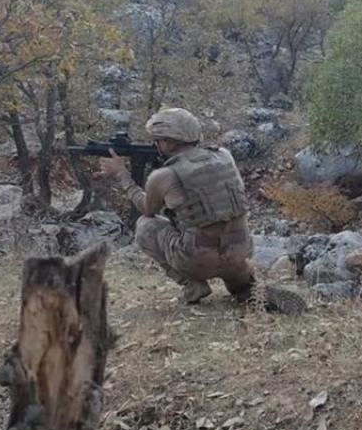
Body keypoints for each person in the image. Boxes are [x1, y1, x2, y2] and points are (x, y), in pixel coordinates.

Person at [98, 108, 256, 305]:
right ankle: (242, 284)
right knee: (236, 274)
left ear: (169, 143)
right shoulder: (225, 156)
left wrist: (122, 173)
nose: (156, 145)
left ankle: (192, 284)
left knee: (145, 225)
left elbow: (147, 209)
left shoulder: (163, 176)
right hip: (240, 252)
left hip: (199, 260)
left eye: (158, 140)